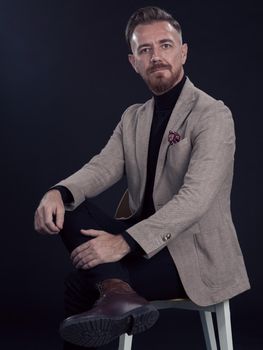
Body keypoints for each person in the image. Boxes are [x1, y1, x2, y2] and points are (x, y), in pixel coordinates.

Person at [34, 6, 250, 349]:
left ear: (183, 52)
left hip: (192, 256)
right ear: (134, 61)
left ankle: (116, 292)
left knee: (80, 283)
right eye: (145, 49)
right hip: (144, 241)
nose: (157, 57)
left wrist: (124, 243)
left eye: (165, 45)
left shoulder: (213, 114)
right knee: (71, 207)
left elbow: (195, 198)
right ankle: (118, 293)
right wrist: (57, 192)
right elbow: (102, 167)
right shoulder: (134, 117)